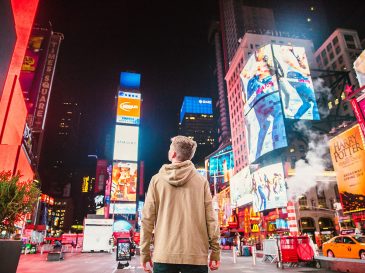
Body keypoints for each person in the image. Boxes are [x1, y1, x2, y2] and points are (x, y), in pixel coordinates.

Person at [140, 136, 221, 273]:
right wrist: (215, 251)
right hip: (195, 256)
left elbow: (147, 220)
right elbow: (211, 220)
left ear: (173, 153)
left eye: (170, 148)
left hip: (164, 255)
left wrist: (145, 253)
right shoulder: (201, 182)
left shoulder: (156, 180)